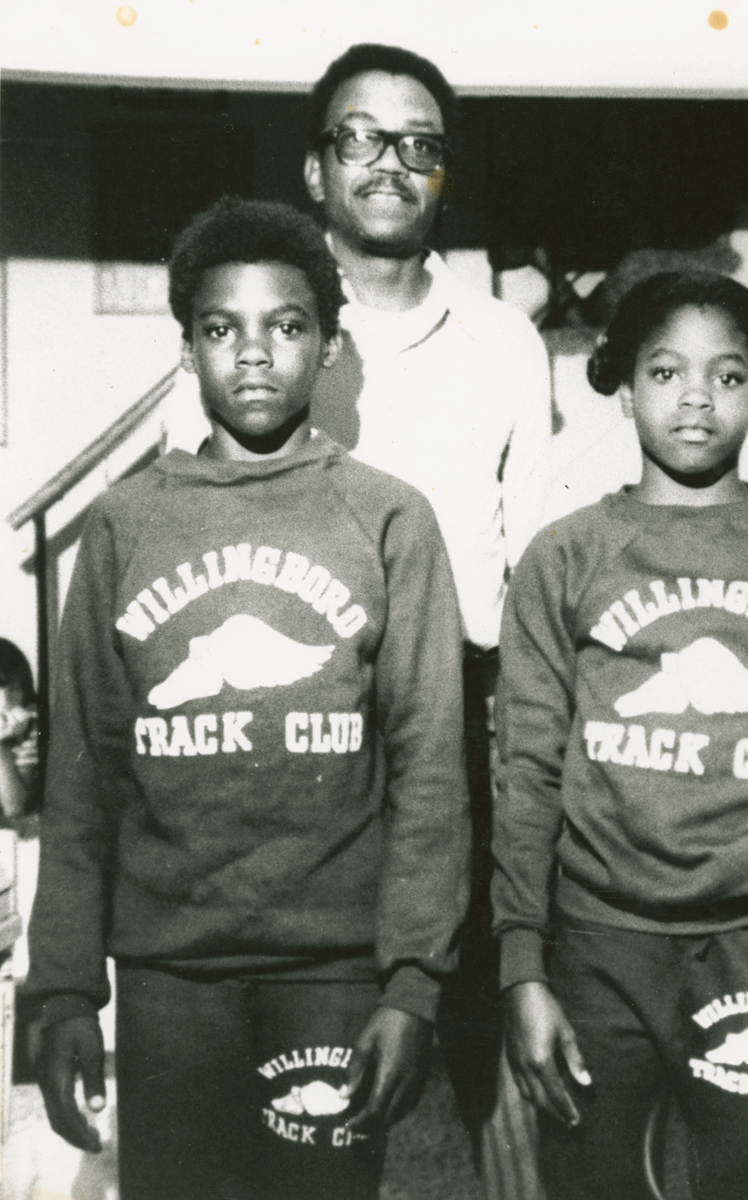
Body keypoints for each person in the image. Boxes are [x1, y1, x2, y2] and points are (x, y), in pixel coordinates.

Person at [25, 196, 470, 1200]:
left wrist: (413, 981)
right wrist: (61, 993)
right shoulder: (124, 525)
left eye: (287, 325)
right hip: (167, 975)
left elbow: (430, 771)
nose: (256, 354)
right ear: (188, 350)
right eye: (223, 329)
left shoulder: (389, 518)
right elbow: (83, 776)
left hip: (334, 969)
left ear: (330, 346)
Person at [165, 43, 553, 1193]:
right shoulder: (271, 330)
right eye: (361, 137)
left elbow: (529, 559)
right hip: (300, 718)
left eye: (421, 144)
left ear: (445, 175)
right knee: (309, 1056)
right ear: (315, 168)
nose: (392, 162)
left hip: (463, 713)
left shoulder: (504, 341)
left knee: (491, 1034)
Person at [492, 271, 748, 1199]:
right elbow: (526, 772)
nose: (697, 398)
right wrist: (522, 968)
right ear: (624, 389)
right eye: (667, 372)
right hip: (597, 943)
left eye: (728, 375)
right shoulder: (566, 557)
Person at [0, 637, 39, 821]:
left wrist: (3, 748)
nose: (4, 702)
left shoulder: (29, 731)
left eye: (14, 689)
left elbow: (14, 807)